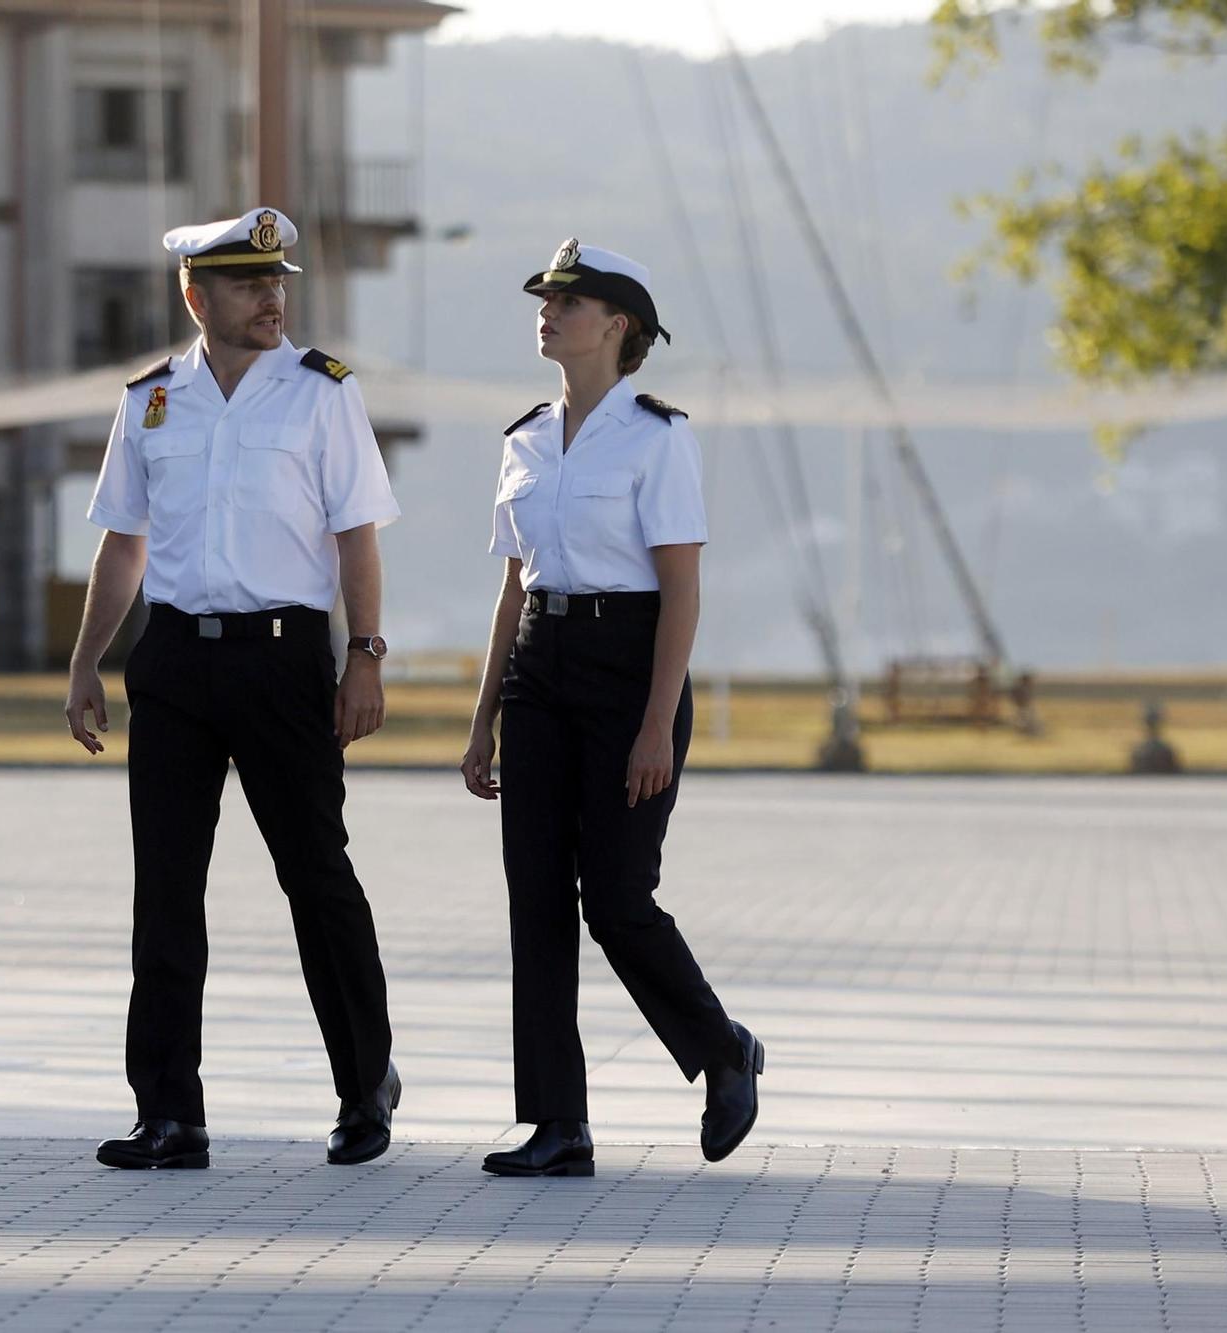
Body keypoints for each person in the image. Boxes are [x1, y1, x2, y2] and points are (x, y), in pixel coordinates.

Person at [65, 207, 402, 1170]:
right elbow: (123, 543)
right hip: (174, 661)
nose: (271, 297)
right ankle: (170, 1113)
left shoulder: (322, 392)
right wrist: (87, 660)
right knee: (166, 890)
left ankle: (364, 1087)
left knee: (316, 876)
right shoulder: (151, 399)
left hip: (283, 660)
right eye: (249, 284)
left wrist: (364, 653)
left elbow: (356, 535)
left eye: (276, 282)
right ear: (196, 296)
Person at [459, 238, 763, 1177]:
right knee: (537, 901)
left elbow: (682, 592)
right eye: (544, 300)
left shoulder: (658, 438)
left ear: (617, 325)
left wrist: (655, 723)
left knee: (620, 900)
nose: (547, 313)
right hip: (539, 669)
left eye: (569, 302)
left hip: (630, 670)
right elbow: (514, 587)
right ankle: (558, 1124)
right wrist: (483, 717)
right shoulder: (524, 440)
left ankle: (722, 1049)